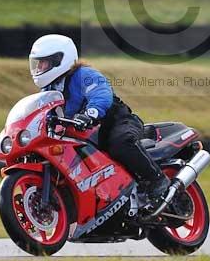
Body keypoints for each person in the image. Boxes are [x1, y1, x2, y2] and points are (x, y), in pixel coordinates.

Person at [28, 34, 170, 203]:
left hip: (116, 121)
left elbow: (101, 93)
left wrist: (91, 113)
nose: (39, 67)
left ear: (58, 60)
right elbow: (43, 114)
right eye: (38, 63)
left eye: (43, 62)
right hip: (86, 134)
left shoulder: (83, 74)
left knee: (121, 143)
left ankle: (156, 179)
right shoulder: (48, 91)